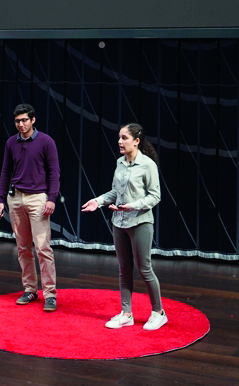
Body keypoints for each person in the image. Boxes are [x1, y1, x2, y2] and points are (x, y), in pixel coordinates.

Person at [82, 122, 166, 330]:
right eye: (119, 137)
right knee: (123, 269)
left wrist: (132, 207)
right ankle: (126, 313)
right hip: (119, 222)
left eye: (124, 138)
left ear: (136, 141)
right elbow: (115, 193)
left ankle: (159, 312)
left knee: (144, 268)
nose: (119, 141)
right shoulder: (120, 163)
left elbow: (155, 196)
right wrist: (99, 201)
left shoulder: (148, 165)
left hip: (140, 222)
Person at [0, 103, 60, 312]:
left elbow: (54, 172)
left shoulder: (46, 141)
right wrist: (0, 199)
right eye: (17, 121)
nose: (21, 124)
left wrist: (51, 198)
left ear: (33, 120)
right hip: (16, 198)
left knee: (42, 248)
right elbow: (5, 171)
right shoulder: (11, 143)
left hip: (38, 199)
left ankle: (50, 294)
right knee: (23, 248)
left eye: (24, 120)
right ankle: (30, 289)